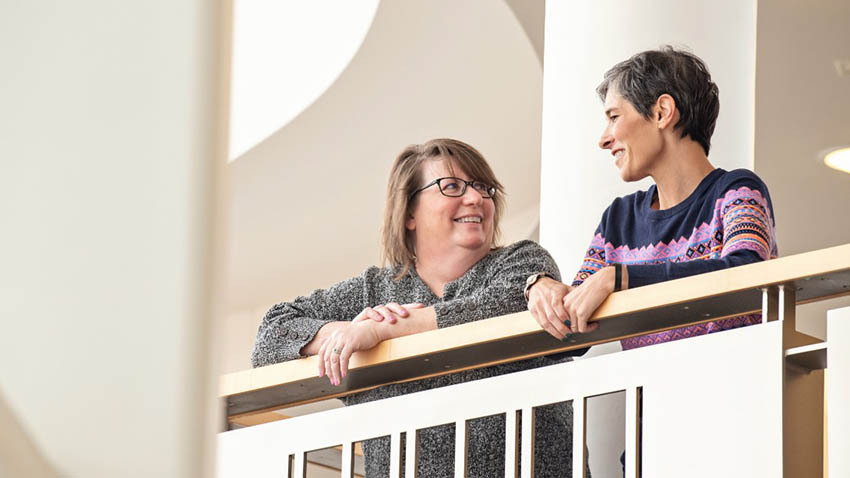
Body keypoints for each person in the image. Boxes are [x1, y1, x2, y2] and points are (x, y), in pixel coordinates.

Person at [252, 138, 586, 477]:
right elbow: (270, 337)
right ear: (409, 212)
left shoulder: (524, 261)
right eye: (452, 186)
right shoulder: (373, 290)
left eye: (483, 188)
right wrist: (343, 333)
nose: (476, 198)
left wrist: (383, 330)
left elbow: (504, 305)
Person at [525, 46, 778, 475]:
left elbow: (745, 273)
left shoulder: (737, 191)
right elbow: (573, 328)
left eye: (613, 116)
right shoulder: (618, 220)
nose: (603, 138)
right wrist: (539, 285)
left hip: (737, 428)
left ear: (662, 111)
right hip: (651, 441)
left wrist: (622, 278)